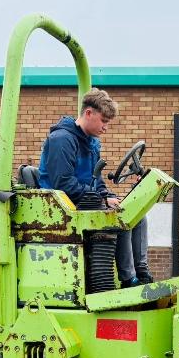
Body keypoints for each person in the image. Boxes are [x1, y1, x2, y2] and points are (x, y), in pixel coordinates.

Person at [38, 88, 152, 287]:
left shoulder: (92, 143)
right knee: (120, 217)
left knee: (137, 215)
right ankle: (128, 279)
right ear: (89, 113)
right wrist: (102, 200)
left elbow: (96, 181)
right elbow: (63, 183)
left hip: (84, 200)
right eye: (104, 121)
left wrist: (107, 195)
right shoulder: (62, 140)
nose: (105, 127)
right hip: (60, 205)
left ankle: (141, 272)